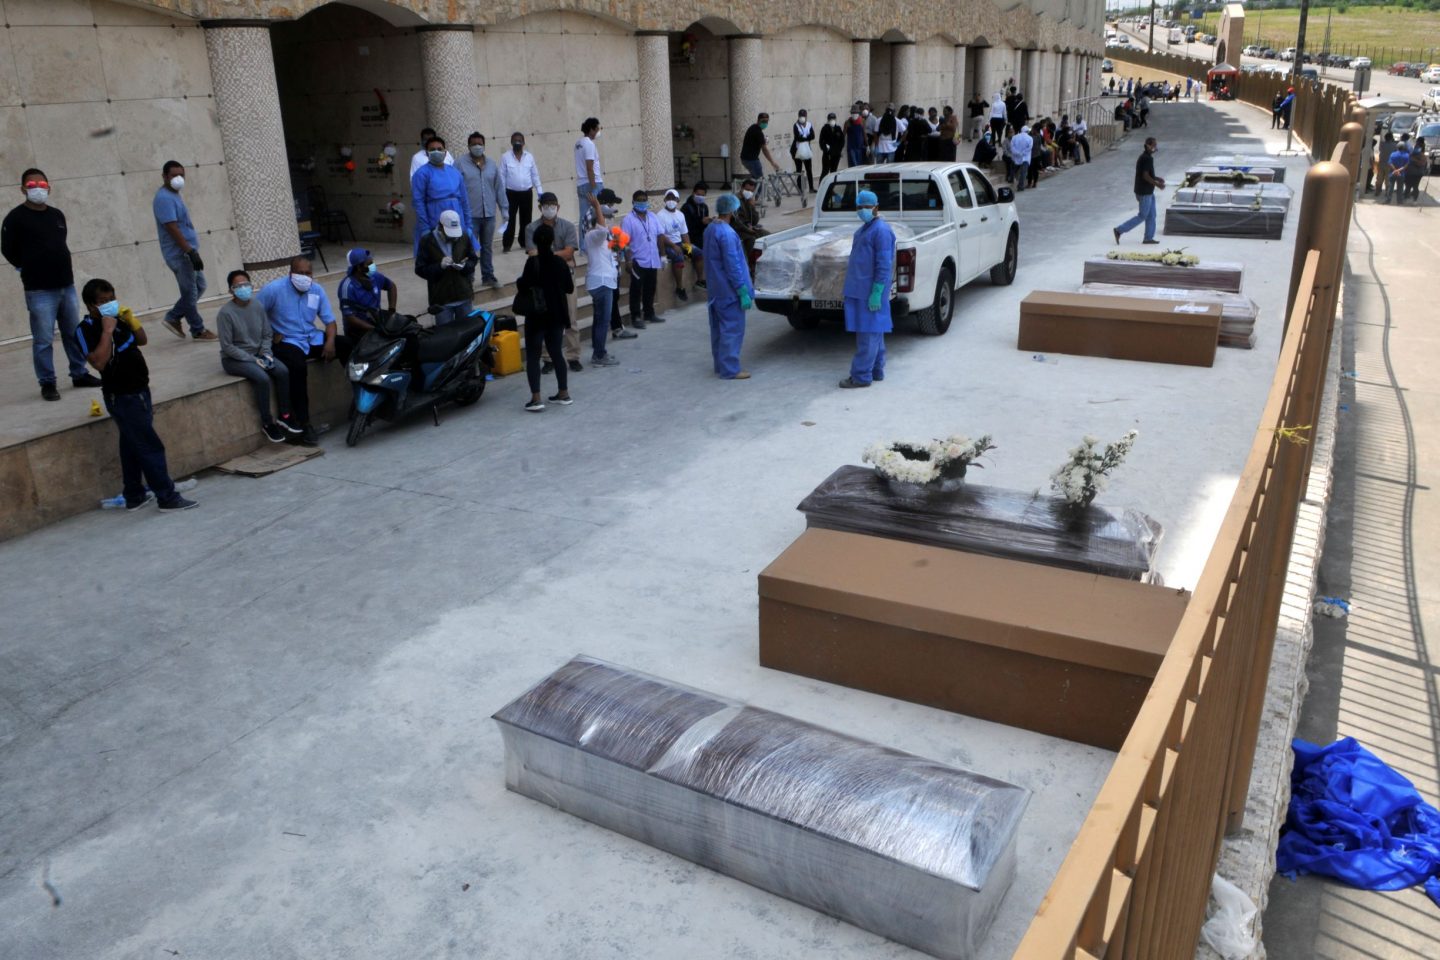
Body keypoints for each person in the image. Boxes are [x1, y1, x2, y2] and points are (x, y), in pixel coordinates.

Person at [75, 278, 197, 511]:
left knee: (131, 444)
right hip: (122, 396)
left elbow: (142, 340)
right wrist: (107, 331)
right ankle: (167, 497)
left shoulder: (119, 319)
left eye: (112, 298)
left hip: (140, 390)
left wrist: (131, 320)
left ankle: (134, 494)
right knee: (150, 446)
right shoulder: (85, 329)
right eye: (103, 301)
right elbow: (98, 362)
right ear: (91, 305)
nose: (110, 304)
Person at [2, 167, 102, 400]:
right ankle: (47, 382)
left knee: (73, 333)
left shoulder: (57, 215)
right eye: (32, 185)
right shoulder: (15, 218)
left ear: (49, 188)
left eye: (42, 185)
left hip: (66, 285)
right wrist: (26, 266)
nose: (38, 189)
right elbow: (7, 249)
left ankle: (79, 373)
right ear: (23, 189)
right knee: (43, 339)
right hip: (39, 290)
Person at [259, 257, 342, 446]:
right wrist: (270, 333)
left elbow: (329, 321)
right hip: (287, 340)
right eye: (300, 273)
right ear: (291, 274)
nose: (304, 277)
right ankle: (304, 423)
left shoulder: (317, 290)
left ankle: (362, 402)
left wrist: (330, 342)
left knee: (346, 344)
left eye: (308, 273)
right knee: (297, 367)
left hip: (311, 337)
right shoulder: (273, 290)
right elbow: (255, 314)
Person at [217, 269, 298, 443]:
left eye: (246, 284)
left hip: (259, 354)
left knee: (282, 371)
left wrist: (266, 353)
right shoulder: (225, 313)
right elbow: (227, 346)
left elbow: (267, 334)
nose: (243, 288)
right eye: (238, 286)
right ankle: (267, 423)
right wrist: (253, 360)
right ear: (231, 290)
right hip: (235, 359)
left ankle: (285, 415)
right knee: (262, 378)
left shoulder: (257, 306)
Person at [152, 160, 217, 341]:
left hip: (187, 252)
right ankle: (198, 329)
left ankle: (173, 317)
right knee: (190, 292)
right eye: (174, 175)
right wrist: (189, 251)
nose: (178, 179)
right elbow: (172, 228)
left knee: (199, 286)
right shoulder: (164, 198)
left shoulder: (173, 195)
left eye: (181, 175)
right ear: (165, 176)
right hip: (181, 254)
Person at [514, 223, 573, 412]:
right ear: (552, 241)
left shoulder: (533, 263)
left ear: (535, 242)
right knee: (556, 353)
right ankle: (563, 393)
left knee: (533, 356)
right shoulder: (560, 263)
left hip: (536, 315)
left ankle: (536, 398)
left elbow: (523, 285)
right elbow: (570, 288)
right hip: (556, 315)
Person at [839, 190, 894, 390]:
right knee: (874, 332)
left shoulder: (881, 231)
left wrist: (877, 292)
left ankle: (861, 376)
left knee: (868, 336)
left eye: (866, 207)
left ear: (876, 207)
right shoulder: (865, 229)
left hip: (870, 292)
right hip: (861, 290)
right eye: (859, 207)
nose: (862, 210)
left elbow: (884, 264)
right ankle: (876, 370)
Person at [524, 193, 583, 370]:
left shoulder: (567, 226)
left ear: (558, 206)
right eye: (546, 205)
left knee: (571, 317)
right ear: (540, 207)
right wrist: (559, 256)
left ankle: (573, 356)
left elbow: (570, 252)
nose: (549, 208)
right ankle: (548, 358)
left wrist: (546, 255)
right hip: (543, 279)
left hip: (565, 276)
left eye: (553, 205)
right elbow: (532, 254)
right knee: (546, 319)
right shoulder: (531, 228)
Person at [703, 194, 753, 380]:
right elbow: (733, 265)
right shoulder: (728, 234)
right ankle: (730, 369)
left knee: (718, 330)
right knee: (732, 330)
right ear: (732, 211)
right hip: (729, 291)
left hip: (716, 289)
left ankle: (721, 365)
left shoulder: (710, 229)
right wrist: (742, 290)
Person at [581, 189, 624, 367]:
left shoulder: (602, 238)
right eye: (604, 220)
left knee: (599, 319)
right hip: (601, 282)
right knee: (603, 321)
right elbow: (601, 229)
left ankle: (599, 352)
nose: (607, 223)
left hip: (605, 281)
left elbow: (615, 248)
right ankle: (599, 355)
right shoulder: (593, 236)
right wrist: (598, 207)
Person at [458, 131, 507, 289]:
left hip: (489, 214)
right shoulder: (460, 164)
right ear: (468, 146)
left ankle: (488, 276)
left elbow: (499, 188)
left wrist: (504, 209)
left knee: (487, 247)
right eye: (474, 144)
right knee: (469, 248)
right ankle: (468, 278)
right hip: (470, 215)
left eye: (480, 144)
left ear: (484, 145)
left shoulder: (492, 164)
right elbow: (455, 189)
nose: (477, 146)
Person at [411, 134, 470, 255]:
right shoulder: (422, 174)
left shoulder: (454, 172)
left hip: (457, 219)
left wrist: (468, 225)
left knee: (459, 255)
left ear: (445, 152)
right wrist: (425, 228)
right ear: (427, 153)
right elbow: (418, 202)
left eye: (439, 149)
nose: (436, 152)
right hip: (435, 220)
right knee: (439, 256)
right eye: (432, 150)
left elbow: (464, 200)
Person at [416, 209, 477, 323]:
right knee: (446, 333)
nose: (453, 237)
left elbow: (473, 260)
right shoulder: (427, 241)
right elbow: (420, 269)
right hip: (442, 301)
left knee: (467, 330)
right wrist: (439, 267)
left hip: (464, 296)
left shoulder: (464, 237)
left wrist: (464, 266)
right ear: (440, 227)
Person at [621, 190, 663, 329]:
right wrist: (628, 260)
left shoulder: (653, 217)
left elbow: (660, 236)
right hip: (637, 260)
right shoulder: (628, 220)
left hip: (652, 259)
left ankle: (649, 313)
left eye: (644, 200)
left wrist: (662, 255)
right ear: (633, 202)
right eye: (639, 200)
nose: (642, 202)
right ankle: (636, 317)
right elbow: (625, 242)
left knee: (650, 288)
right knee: (636, 290)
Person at [336, 248, 398, 339]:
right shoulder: (347, 287)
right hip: (358, 331)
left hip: (377, 321)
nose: (373, 266)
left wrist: (391, 311)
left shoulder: (375, 276)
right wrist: (374, 329)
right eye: (369, 264)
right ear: (359, 267)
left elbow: (391, 286)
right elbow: (350, 317)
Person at [1113, 137, 1165, 245]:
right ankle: (1119, 230)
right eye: (1154, 145)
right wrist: (1157, 185)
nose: (1155, 147)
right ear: (1148, 146)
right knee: (1143, 215)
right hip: (1144, 192)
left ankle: (1148, 238)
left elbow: (1147, 174)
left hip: (1148, 191)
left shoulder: (1146, 157)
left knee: (1152, 215)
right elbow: (1145, 176)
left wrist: (1157, 179)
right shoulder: (1146, 158)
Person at [657, 188, 703, 301]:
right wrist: (673, 247)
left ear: (678, 200)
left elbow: (684, 234)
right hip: (667, 244)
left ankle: (700, 280)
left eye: (673, 198)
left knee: (698, 253)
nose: (671, 200)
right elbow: (661, 236)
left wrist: (688, 250)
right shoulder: (660, 215)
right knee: (678, 257)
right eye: (668, 198)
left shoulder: (680, 215)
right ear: (664, 199)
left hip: (679, 243)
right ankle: (679, 287)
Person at [499, 131, 542, 253]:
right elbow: (501, 177)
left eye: (519, 140)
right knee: (509, 220)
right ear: (511, 142)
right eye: (515, 140)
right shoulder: (505, 157)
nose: (517, 142)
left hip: (526, 193)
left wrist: (540, 191)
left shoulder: (529, 157)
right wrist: (502, 194)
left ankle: (524, 242)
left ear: (523, 143)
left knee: (526, 220)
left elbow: (535, 175)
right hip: (510, 194)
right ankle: (507, 245)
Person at [681, 182, 712, 290]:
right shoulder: (686, 208)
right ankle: (700, 280)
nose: (701, 197)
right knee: (698, 252)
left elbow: (703, 227)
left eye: (703, 195)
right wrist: (701, 222)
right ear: (693, 193)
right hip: (688, 239)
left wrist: (708, 222)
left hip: (700, 236)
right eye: (698, 195)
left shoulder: (704, 207)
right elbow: (687, 229)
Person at [575, 117, 604, 231]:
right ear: (591, 130)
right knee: (598, 215)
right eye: (597, 129)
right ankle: (599, 240)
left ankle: (583, 242)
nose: (598, 131)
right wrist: (594, 187)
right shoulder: (589, 144)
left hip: (581, 184)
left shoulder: (578, 144)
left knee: (584, 217)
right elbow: (589, 168)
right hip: (591, 183)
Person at [733, 179, 768, 261]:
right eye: (747, 190)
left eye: (751, 191)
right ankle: (752, 262)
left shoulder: (749, 199)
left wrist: (752, 206)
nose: (749, 192)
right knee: (751, 239)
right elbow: (737, 220)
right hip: (739, 228)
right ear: (742, 188)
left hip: (749, 227)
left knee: (766, 235)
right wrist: (748, 229)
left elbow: (755, 221)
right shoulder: (735, 200)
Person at [740, 112, 780, 180]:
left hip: (745, 159)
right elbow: (764, 150)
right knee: (760, 180)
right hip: (751, 159)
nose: (765, 123)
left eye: (767, 121)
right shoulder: (758, 132)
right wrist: (772, 162)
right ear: (758, 120)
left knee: (755, 179)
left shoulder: (753, 127)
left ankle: (752, 186)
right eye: (763, 121)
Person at [791, 109, 817, 192]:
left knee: (809, 169)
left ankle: (811, 188)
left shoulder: (809, 125)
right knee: (799, 169)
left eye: (803, 116)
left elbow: (813, 136)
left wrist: (803, 137)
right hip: (797, 150)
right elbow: (797, 137)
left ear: (806, 116)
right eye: (801, 116)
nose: (802, 117)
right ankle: (800, 188)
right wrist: (806, 137)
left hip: (806, 150)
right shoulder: (796, 125)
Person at [1384, 137, 1411, 205]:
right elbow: (1406, 165)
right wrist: (1399, 171)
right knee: (1400, 188)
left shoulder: (1393, 154)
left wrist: (1395, 170)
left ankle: (1388, 200)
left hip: (1392, 173)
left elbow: (1390, 163)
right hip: (1401, 174)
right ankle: (1399, 201)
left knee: (1390, 187)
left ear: (1397, 147)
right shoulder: (1407, 155)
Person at [1403, 139, 1429, 203]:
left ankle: (1411, 199)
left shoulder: (1418, 156)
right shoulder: (1415, 155)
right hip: (1414, 173)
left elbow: (1421, 164)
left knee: (1412, 186)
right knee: (1411, 186)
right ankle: (1410, 199)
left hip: (1414, 173)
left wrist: (1413, 160)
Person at [1010, 124, 1034, 193]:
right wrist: (1022, 153)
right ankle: (1020, 186)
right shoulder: (1030, 138)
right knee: (1023, 173)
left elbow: (1012, 147)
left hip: (1016, 157)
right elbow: (1029, 148)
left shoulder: (1014, 137)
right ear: (1027, 131)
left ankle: (1011, 179)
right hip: (1025, 157)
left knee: (1014, 170)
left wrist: (1017, 153)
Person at [820, 113, 845, 178]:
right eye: (830, 119)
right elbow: (821, 141)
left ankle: (832, 184)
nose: (832, 120)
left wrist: (839, 150)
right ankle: (822, 184)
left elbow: (842, 141)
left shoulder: (838, 128)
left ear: (835, 119)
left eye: (833, 119)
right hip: (827, 155)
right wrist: (825, 149)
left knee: (834, 171)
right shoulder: (824, 129)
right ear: (828, 120)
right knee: (825, 171)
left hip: (836, 154)